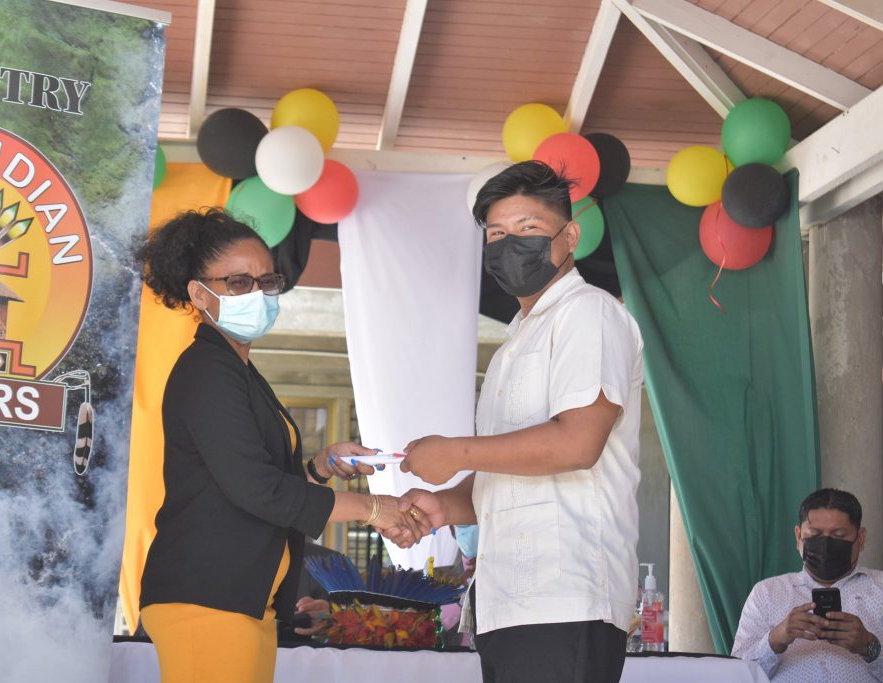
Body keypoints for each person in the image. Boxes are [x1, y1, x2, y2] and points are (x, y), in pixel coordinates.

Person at [136, 209, 427, 683]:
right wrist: (372, 509)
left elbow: (262, 480)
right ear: (198, 293)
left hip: (246, 599)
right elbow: (257, 489)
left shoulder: (240, 371)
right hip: (207, 598)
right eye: (237, 283)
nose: (257, 294)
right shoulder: (207, 371)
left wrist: (320, 466)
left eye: (266, 281)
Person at [394, 161, 645, 683]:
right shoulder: (516, 340)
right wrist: (446, 505)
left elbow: (577, 443)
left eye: (528, 229)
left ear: (569, 235)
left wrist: (456, 451)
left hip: (566, 595)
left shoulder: (589, 314)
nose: (510, 244)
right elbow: (505, 472)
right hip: (507, 600)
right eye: (497, 234)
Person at [732, 488, 883, 681]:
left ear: (860, 538)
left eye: (838, 535)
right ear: (798, 536)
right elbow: (736, 675)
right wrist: (775, 639)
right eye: (814, 534)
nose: (826, 545)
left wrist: (869, 647)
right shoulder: (766, 593)